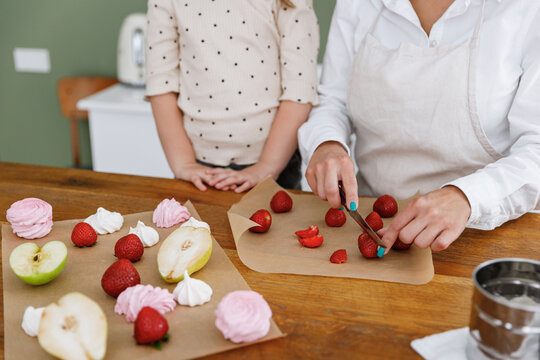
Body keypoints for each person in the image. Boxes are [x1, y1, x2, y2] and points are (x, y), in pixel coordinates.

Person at [298, 0, 540, 252]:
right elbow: (332, 102)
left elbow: (536, 149)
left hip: (484, 236)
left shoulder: (528, 9)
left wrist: (467, 197)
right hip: (375, 221)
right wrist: (327, 143)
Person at [145, 0, 319, 192]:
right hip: (198, 169)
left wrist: (267, 166)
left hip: (275, 166)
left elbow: (300, 89)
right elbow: (161, 83)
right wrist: (183, 163)